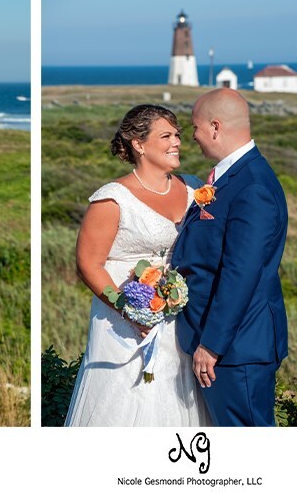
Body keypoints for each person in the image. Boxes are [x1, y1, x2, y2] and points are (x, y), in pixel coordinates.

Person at [65, 105, 210, 426]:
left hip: (181, 319)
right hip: (124, 323)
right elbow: (88, 263)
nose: (177, 143)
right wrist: (129, 310)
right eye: (166, 136)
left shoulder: (193, 188)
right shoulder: (112, 199)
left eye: (178, 135)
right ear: (139, 144)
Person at [171, 89, 289, 427]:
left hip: (236, 349)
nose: (191, 137)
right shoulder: (234, 177)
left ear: (215, 127)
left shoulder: (252, 186)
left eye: (194, 127)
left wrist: (211, 344)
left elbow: (241, 273)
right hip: (228, 343)